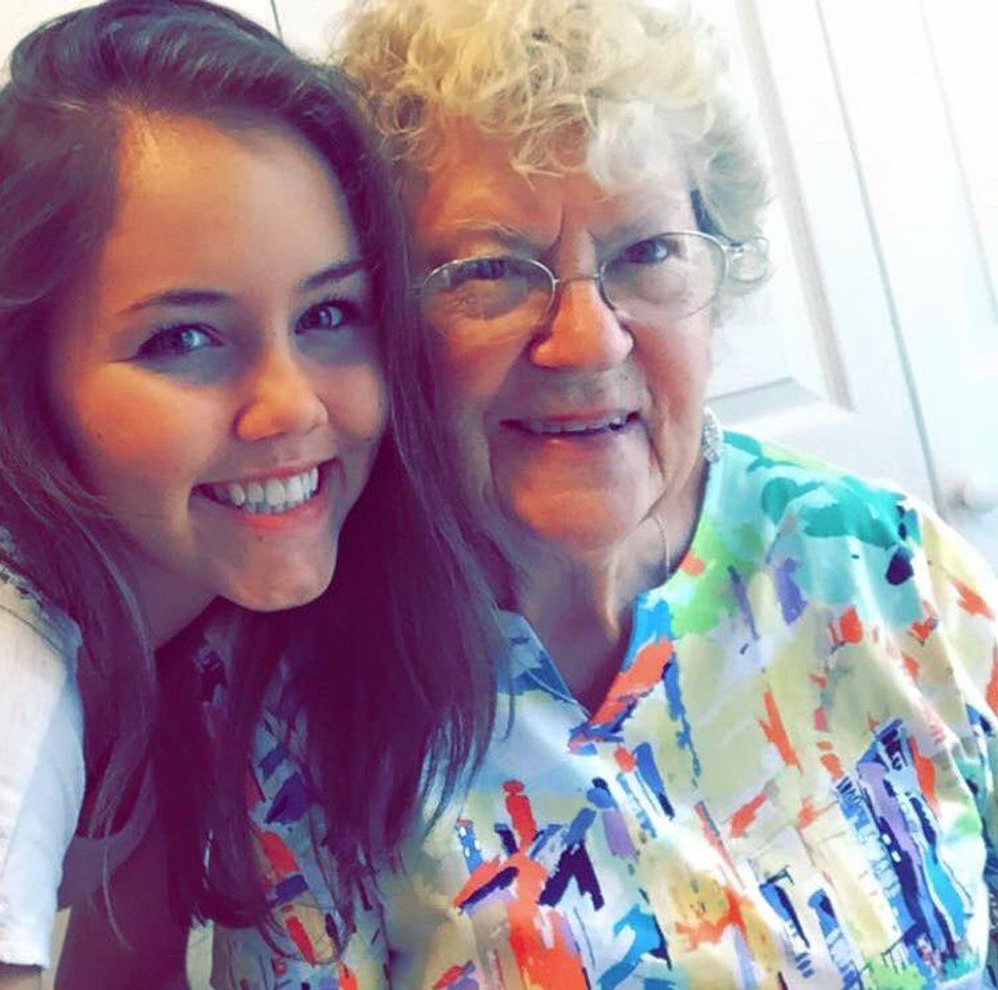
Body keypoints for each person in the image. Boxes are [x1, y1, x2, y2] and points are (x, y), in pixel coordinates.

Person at [209, 0, 998, 986]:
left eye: (648, 252)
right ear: (379, 319)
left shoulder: (886, 570)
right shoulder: (305, 706)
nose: (587, 341)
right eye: (491, 271)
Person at [0, 2, 499, 987]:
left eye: (331, 313)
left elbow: (124, 972)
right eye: (183, 338)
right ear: (21, 370)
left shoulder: (172, 604)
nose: (291, 406)